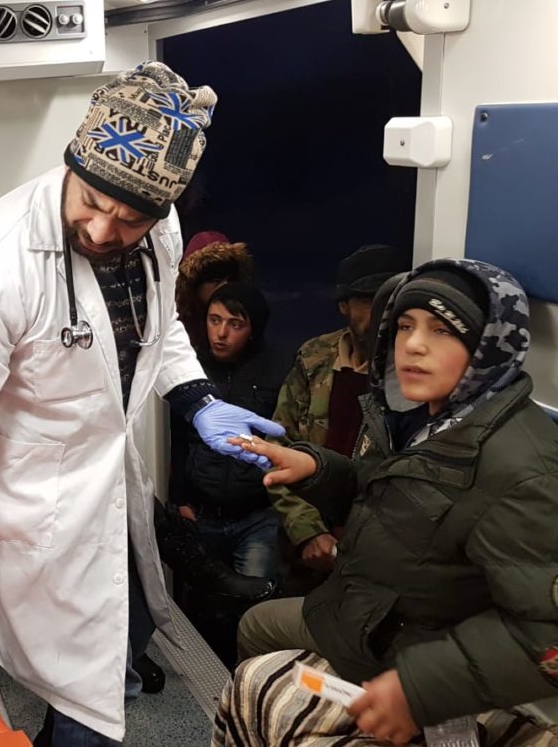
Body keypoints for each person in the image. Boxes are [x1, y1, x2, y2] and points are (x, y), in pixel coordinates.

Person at [0, 61, 285, 746]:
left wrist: (195, 399)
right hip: (33, 509)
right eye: (92, 202)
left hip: (113, 494)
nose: (101, 230)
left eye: (130, 219)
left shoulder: (161, 231)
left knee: (121, 648)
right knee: (85, 700)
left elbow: (161, 328)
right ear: (74, 161)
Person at [215, 259, 558, 746]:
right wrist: (316, 468)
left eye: (442, 329)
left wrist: (417, 687)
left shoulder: (526, 469)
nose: (413, 345)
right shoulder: (421, 416)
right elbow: (385, 495)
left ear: (488, 347)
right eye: (404, 326)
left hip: (415, 644)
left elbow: (548, 638)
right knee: (256, 627)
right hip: (366, 610)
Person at [167, 282, 290, 664]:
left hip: (256, 515)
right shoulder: (188, 371)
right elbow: (175, 441)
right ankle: (202, 683)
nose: (221, 333)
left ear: (252, 328)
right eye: (214, 320)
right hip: (200, 510)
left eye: (234, 323)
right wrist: (178, 499)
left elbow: (290, 439)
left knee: (253, 609)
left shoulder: (279, 368)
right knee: (197, 608)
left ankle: (248, 682)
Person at [269, 244, 409, 574]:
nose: (381, 313)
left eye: (391, 301)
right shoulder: (315, 358)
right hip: (309, 543)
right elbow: (278, 444)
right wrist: (308, 530)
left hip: (381, 551)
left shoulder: (415, 370)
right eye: (368, 301)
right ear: (344, 305)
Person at [174, 233, 256, 349]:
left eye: (230, 280)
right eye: (216, 281)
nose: (224, 287)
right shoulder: (173, 325)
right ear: (194, 284)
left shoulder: (246, 319)